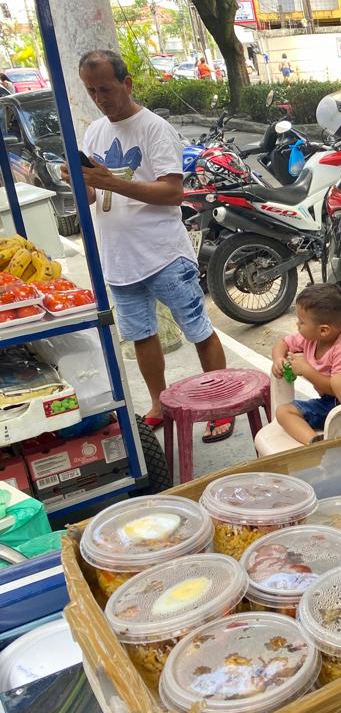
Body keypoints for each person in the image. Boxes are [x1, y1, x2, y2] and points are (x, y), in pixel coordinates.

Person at [61, 50, 232, 441]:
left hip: (163, 255)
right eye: (91, 91)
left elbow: (173, 192)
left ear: (127, 83)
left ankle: (221, 405)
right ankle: (159, 404)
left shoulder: (154, 128)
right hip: (119, 260)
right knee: (141, 336)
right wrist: (75, 178)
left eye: (105, 88)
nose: (100, 98)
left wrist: (112, 182)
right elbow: (90, 197)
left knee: (198, 331)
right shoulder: (94, 132)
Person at [271, 284, 341, 444]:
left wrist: (306, 371)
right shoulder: (310, 338)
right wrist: (278, 359)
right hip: (333, 405)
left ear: (323, 330)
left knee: (340, 380)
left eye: (301, 322)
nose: (297, 325)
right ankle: (316, 443)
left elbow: (335, 387)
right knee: (283, 412)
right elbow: (282, 343)